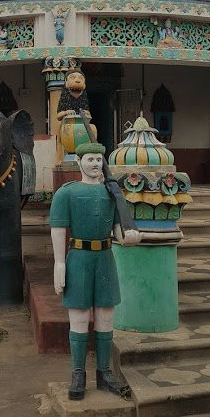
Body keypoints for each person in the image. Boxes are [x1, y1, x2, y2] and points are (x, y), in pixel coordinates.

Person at [49, 141, 141, 401]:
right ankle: (78, 373)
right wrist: (59, 264)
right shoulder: (66, 193)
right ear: (78, 162)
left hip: (104, 257)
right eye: (89, 159)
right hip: (78, 257)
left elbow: (118, 231)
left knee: (105, 315)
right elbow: (58, 229)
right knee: (78, 316)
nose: (95, 164)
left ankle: (105, 373)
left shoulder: (111, 193)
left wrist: (130, 236)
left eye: (98, 160)